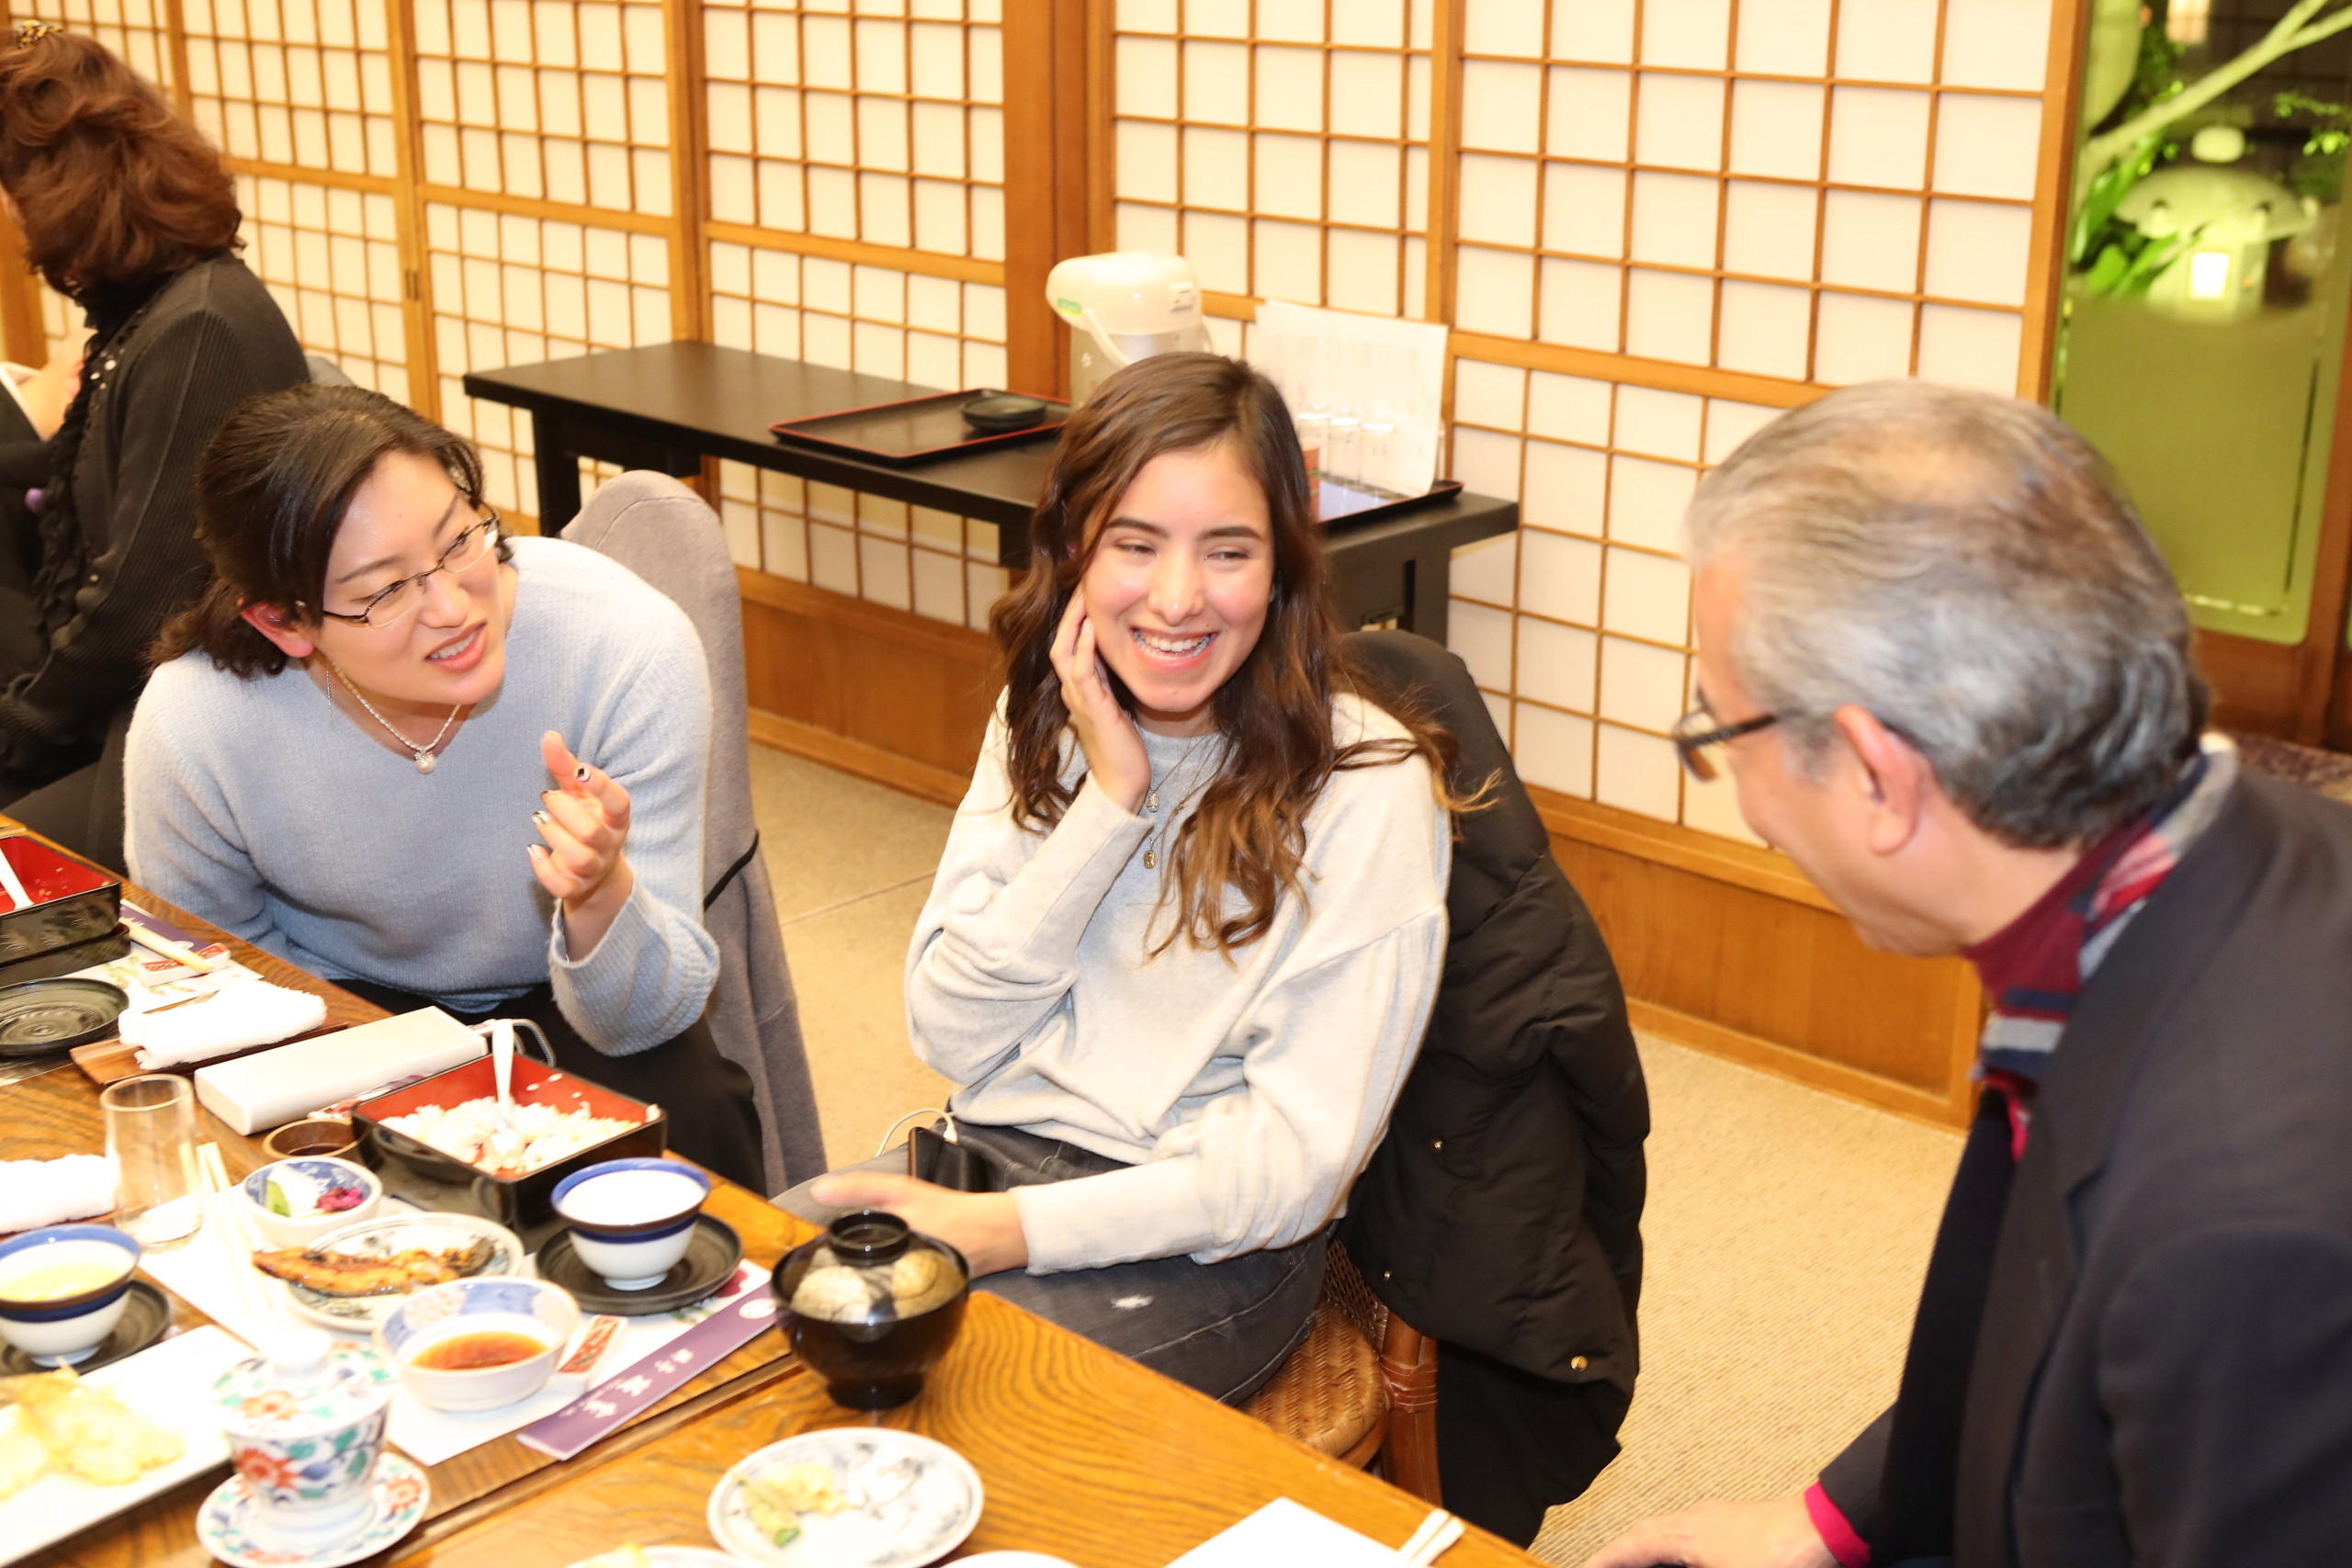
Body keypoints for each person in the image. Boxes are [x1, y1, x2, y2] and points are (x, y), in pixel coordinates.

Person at [1580, 380, 2352, 1568]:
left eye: (1717, 730)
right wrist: (1832, 1517)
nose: (1747, 807)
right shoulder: (2241, 845)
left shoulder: (2234, 1232)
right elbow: (2037, 1321)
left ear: (1878, 777)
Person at [782, 352, 1464, 1403]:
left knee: (955, 1397)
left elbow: (1293, 1169)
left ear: (1283, 564)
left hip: (1199, 1241)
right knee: (741, 1311)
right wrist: (1109, 803)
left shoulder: (1368, 790)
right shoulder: (1049, 713)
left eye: (1227, 551)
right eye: (1136, 546)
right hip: (989, 1155)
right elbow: (951, 1034)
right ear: (1076, 551)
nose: (1178, 599)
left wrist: (1008, 1232)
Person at [125, 385, 765, 1190]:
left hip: (574, 1006)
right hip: (337, 1011)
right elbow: (214, 982)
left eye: (459, 540)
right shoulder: (198, 719)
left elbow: (649, 1018)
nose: (455, 607)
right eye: (384, 591)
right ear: (284, 622)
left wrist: (601, 893)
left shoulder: (623, 645)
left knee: (694, 1122)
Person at [0, 20, 308, 866]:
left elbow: (138, 602)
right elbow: (85, 471)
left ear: (53, 186)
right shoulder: (150, 309)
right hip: (150, 691)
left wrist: (20, 721)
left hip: (205, 718)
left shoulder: (196, 330)